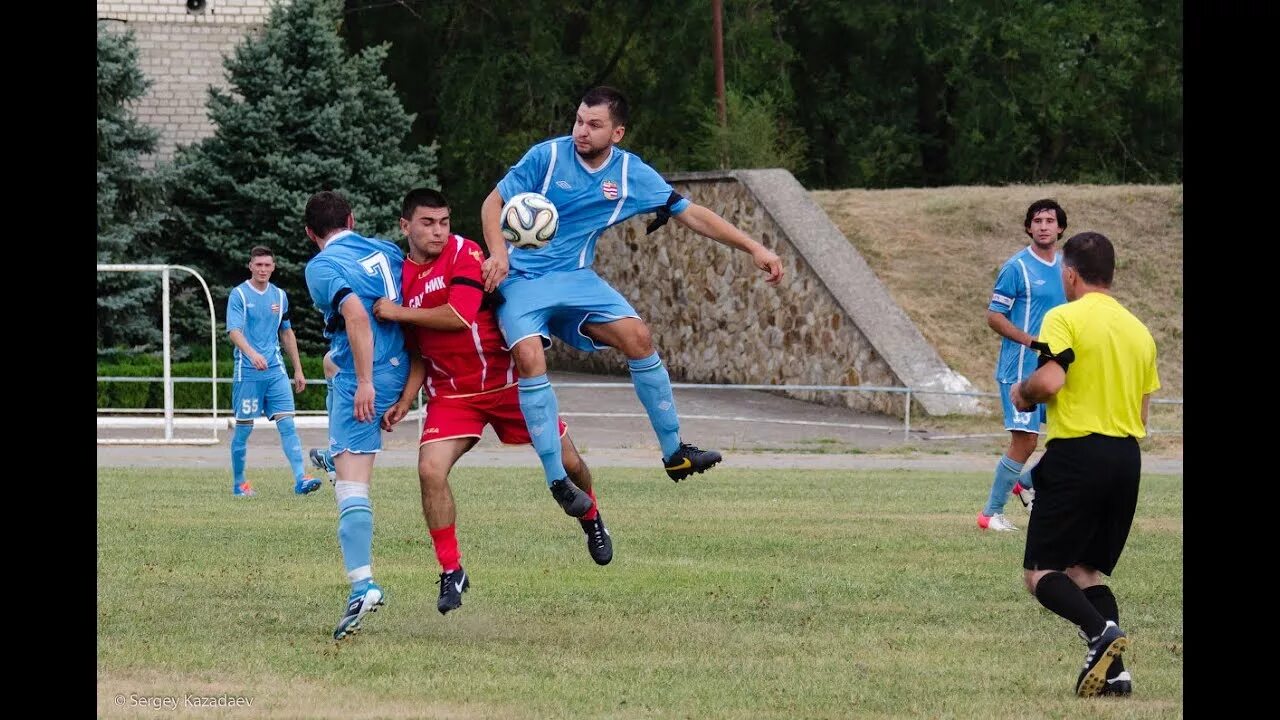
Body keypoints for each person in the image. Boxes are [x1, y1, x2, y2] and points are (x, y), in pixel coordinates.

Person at [479, 85, 784, 514]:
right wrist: (497, 255)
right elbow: (493, 203)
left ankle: (675, 452)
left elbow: (692, 213)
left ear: (617, 133)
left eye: (594, 125)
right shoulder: (546, 157)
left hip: (576, 279)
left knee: (638, 337)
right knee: (530, 357)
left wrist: (754, 247)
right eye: (579, 121)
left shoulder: (629, 174)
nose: (582, 131)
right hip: (522, 281)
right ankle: (558, 480)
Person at [368, 188, 611, 616]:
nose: (439, 232)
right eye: (428, 223)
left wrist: (397, 312)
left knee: (570, 464)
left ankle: (591, 518)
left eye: (444, 222)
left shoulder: (464, 252)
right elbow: (419, 350)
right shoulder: (398, 278)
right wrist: (408, 398)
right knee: (429, 469)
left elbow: (458, 316)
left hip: (509, 385)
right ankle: (451, 570)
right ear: (405, 226)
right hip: (453, 395)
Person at [1010, 231, 1159, 698]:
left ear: (1069, 274)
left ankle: (1101, 635)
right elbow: (1141, 415)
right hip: (1126, 458)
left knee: (1041, 573)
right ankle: (1117, 675)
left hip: (1079, 455)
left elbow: (1051, 381)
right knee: (1085, 571)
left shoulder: (1064, 317)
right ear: (1110, 275)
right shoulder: (1140, 331)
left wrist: (1024, 391)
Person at [302, 190, 411, 641]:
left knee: (351, 486)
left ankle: (363, 584)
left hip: (368, 380)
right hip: (402, 366)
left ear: (311, 234)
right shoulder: (385, 249)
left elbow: (355, 316)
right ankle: (333, 452)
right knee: (331, 362)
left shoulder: (321, 265)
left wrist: (366, 382)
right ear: (352, 218)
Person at [978, 200, 1068, 531]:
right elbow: (993, 315)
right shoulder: (1016, 267)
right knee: (1026, 440)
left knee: (1068, 437)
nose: (1044, 226)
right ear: (1028, 227)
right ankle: (990, 515)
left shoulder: (1067, 268)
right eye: (1037, 221)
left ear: (1060, 228)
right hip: (1020, 369)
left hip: (1056, 368)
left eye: (1050, 220)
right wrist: (1030, 340)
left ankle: (1028, 481)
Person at [225, 246, 320, 497]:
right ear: (250, 266)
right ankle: (239, 485)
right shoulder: (239, 295)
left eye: (267, 265)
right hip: (247, 373)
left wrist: (298, 369)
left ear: (273, 267)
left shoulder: (279, 296)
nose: (263, 269)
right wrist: (252, 354)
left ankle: (301, 478)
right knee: (243, 429)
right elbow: (234, 331)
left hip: (276, 372)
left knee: (288, 425)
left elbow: (286, 332)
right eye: (258, 265)